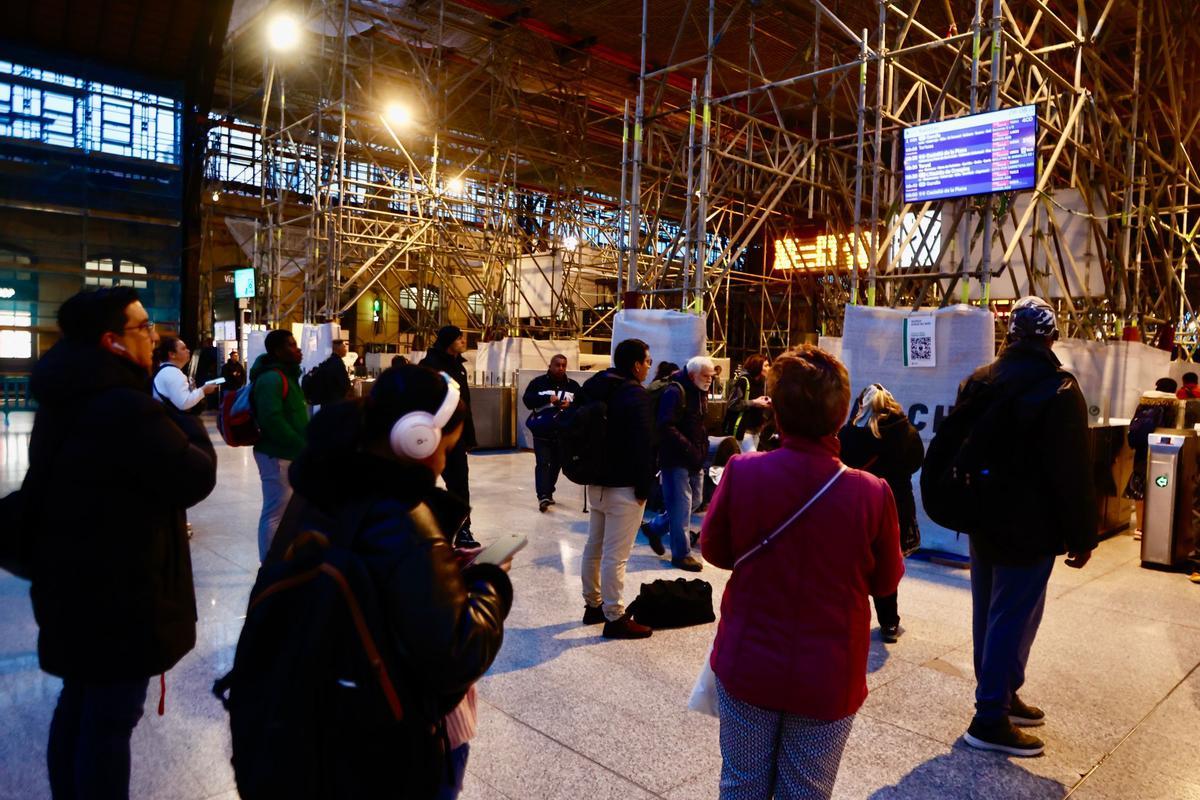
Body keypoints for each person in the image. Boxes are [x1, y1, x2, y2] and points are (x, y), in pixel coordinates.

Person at [279, 365, 512, 799]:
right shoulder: (403, 519)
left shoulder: (323, 488)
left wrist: (440, 569)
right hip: (401, 737)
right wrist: (490, 583)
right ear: (417, 438)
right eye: (447, 447)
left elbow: (375, 586)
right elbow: (456, 653)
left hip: (332, 712)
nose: (443, 461)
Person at [24, 287, 217, 799]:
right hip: (121, 590)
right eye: (143, 326)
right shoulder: (124, 408)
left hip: (71, 578)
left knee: (79, 701)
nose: (153, 336)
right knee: (110, 719)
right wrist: (181, 417)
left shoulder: (67, 399)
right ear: (112, 341)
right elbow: (195, 475)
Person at [700, 346, 903, 799]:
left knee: (741, 785)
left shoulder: (743, 471)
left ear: (777, 412)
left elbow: (714, 550)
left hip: (748, 662)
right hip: (829, 674)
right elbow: (885, 582)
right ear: (841, 416)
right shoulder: (872, 493)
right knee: (807, 792)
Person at [950, 296, 1097, 757]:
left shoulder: (979, 380)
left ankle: (1002, 694)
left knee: (989, 613)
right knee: (1014, 615)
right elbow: (1072, 470)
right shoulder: (1058, 388)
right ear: (1051, 337)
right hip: (1032, 526)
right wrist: (1082, 535)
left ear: (1009, 335)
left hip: (982, 519)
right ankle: (989, 717)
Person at [579, 338, 656, 639]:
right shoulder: (635, 394)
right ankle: (615, 617)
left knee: (594, 547)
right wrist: (644, 487)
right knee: (616, 555)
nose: (649, 367)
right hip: (624, 486)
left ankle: (592, 605)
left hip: (595, 482)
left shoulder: (595, 386)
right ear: (636, 365)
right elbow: (644, 445)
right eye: (647, 361)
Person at [838, 383, 924, 643]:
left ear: (862, 404)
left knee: (853, 563)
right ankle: (889, 623)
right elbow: (915, 463)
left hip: (857, 503)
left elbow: (840, 463)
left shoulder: (849, 433)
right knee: (886, 562)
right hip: (896, 504)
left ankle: (849, 618)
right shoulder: (906, 431)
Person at [642, 356, 714, 572]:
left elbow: (699, 424)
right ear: (692, 375)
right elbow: (666, 426)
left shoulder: (699, 390)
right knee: (681, 506)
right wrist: (690, 449)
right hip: (675, 458)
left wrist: (700, 448)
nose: (710, 380)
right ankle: (681, 555)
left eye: (711, 376)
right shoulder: (675, 391)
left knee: (694, 501)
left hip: (694, 458)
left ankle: (655, 528)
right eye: (706, 376)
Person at [250, 330, 309, 561]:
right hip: (277, 455)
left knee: (285, 510)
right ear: (277, 351)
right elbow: (271, 420)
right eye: (291, 345)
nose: (297, 349)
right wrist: (299, 444)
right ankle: (269, 562)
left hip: (288, 454)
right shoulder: (272, 379)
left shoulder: (286, 376)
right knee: (275, 512)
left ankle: (280, 557)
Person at [421, 325, 479, 548]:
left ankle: (463, 529)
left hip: (457, 437)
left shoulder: (459, 367)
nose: (463, 341)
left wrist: (469, 437)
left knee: (460, 484)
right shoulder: (429, 366)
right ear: (448, 342)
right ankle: (426, 529)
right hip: (433, 436)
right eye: (459, 338)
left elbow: (466, 406)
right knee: (424, 482)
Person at [522, 353, 582, 512]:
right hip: (542, 432)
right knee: (543, 463)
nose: (561, 368)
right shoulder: (538, 383)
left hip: (562, 433)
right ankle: (542, 496)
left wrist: (570, 406)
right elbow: (527, 401)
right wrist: (548, 399)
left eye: (563, 365)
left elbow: (582, 406)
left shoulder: (573, 386)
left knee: (557, 464)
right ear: (550, 366)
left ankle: (548, 492)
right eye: (557, 365)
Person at [1124, 378, 1180, 538]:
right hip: (1165, 450)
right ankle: (1157, 525)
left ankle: (1140, 528)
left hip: (1142, 451)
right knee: (1161, 485)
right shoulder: (1173, 405)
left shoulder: (1145, 402)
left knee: (1140, 487)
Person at [152, 335, 219, 414]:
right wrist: (203, 390)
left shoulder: (166, 370)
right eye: (183, 349)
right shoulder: (172, 372)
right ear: (172, 354)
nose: (188, 351)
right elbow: (184, 403)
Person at [724, 354, 771, 452]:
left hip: (756, 429)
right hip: (744, 429)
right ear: (757, 366)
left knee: (752, 458)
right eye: (766, 365)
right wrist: (753, 402)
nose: (769, 368)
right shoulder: (743, 381)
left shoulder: (762, 382)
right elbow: (732, 404)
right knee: (752, 458)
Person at [301, 338, 353, 408]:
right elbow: (345, 384)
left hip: (326, 402)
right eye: (344, 347)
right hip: (334, 402)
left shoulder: (329, 361)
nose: (345, 349)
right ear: (338, 348)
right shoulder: (337, 363)